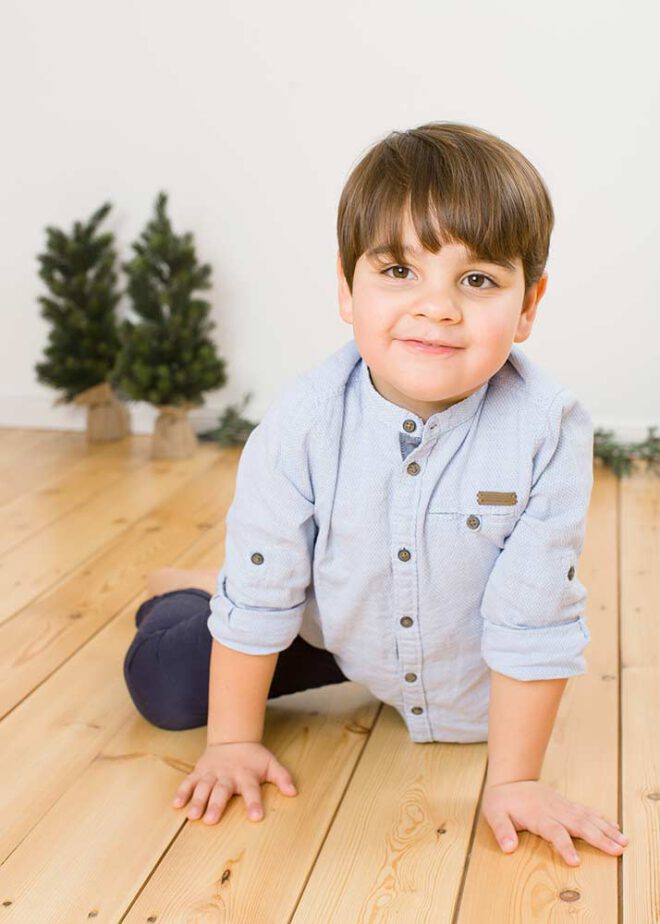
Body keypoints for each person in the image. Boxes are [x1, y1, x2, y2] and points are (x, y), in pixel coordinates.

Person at [123, 121, 629, 866]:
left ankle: (230, 585)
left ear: (529, 305)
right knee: (165, 683)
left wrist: (516, 780)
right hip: (341, 622)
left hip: (452, 647)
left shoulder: (547, 432)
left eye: (478, 280)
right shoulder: (302, 423)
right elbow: (264, 600)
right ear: (345, 288)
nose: (438, 307)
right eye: (399, 272)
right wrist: (232, 743)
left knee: (483, 717)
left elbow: (534, 615)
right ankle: (190, 590)